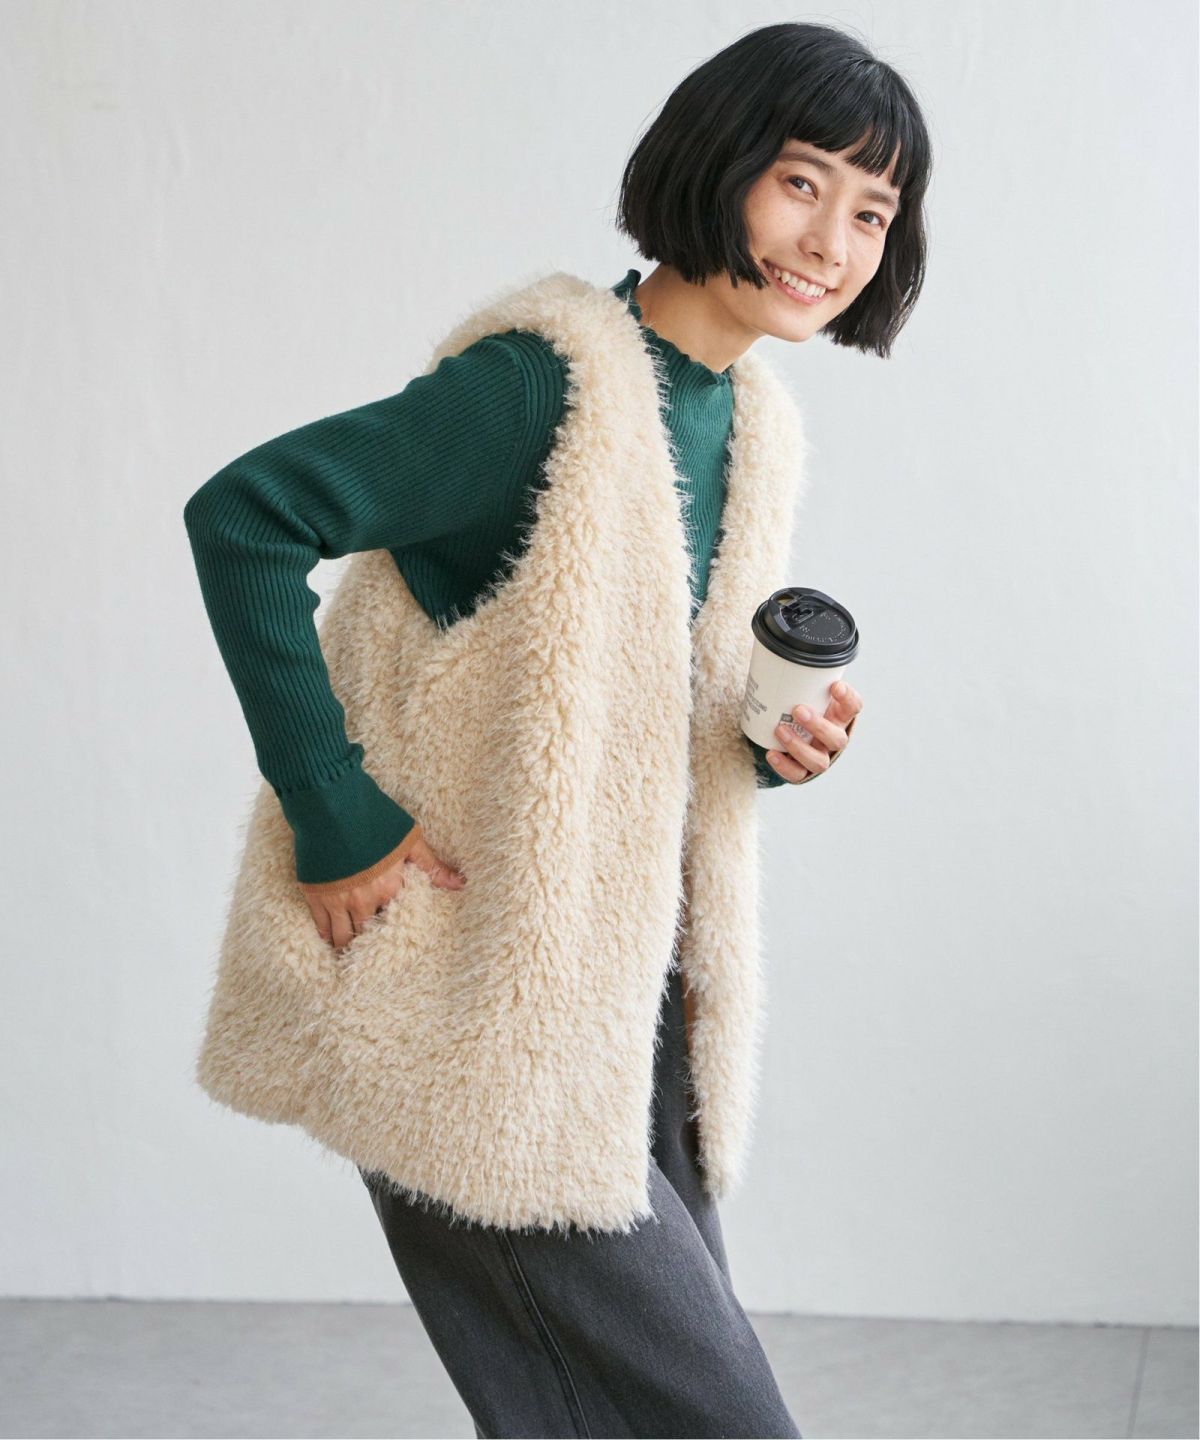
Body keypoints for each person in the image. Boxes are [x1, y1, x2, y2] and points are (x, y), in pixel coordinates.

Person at [183, 20, 931, 1439]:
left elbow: (602, 697)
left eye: (872, 212)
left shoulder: (748, 421)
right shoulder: (539, 385)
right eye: (802, 182)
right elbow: (245, 517)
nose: (832, 242)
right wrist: (336, 815)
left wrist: (763, 745)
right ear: (716, 163)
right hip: (483, 1010)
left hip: (627, 1005)